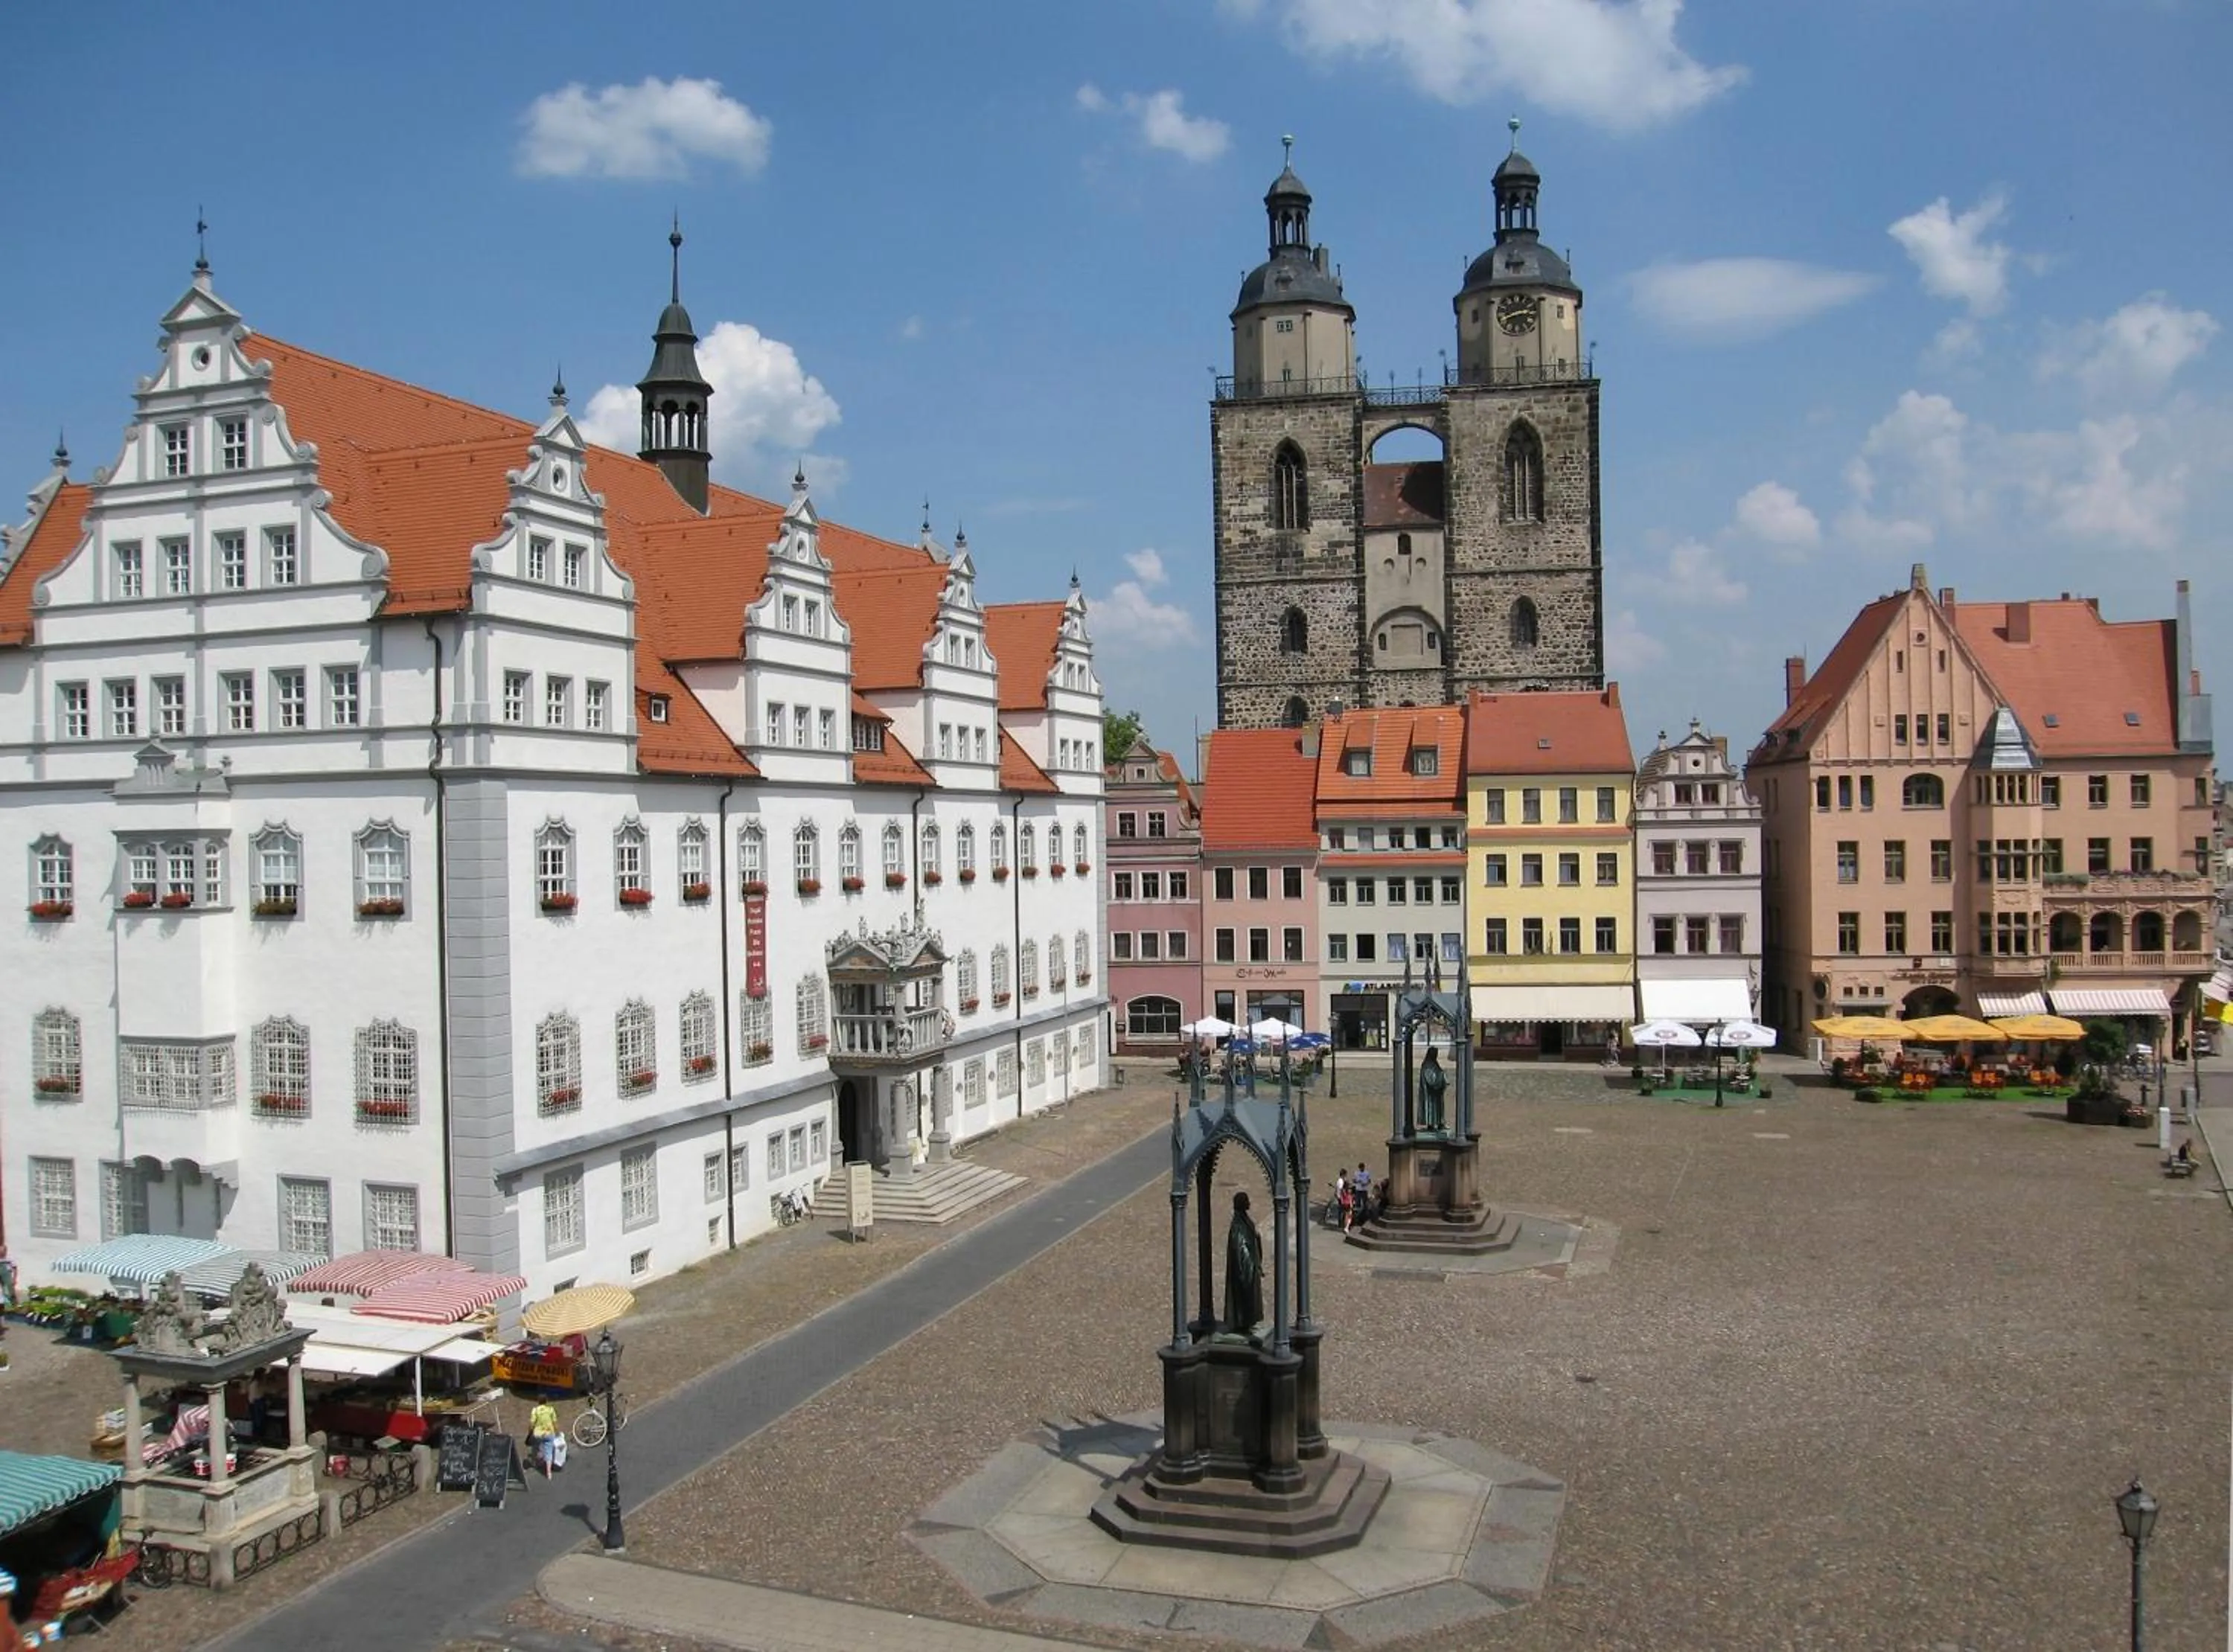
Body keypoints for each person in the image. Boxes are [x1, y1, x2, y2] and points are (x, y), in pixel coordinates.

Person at [1222, 1191, 1263, 1338]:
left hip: (1251, 1266)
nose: (1249, 1203)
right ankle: (1242, 1322)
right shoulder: (1238, 1224)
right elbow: (1240, 1247)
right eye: (1247, 1200)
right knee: (1245, 1298)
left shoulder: (1244, 1219)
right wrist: (1250, 1267)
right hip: (1246, 1269)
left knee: (1250, 1298)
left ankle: (1247, 1322)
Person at [526, 1398, 561, 1479]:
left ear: (538, 1402)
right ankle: (549, 1473)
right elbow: (555, 1422)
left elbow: (531, 1423)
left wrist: (530, 1432)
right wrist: (557, 1431)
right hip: (549, 1433)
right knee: (549, 1452)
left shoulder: (535, 1410)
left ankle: (535, 1462)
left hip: (538, 1434)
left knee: (535, 1447)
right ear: (546, 1402)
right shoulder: (551, 1409)